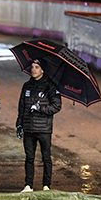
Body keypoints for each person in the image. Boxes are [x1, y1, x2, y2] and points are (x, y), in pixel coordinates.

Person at [15, 59, 62, 192]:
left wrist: (40, 107)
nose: (33, 70)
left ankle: (46, 185)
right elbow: (22, 107)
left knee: (46, 157)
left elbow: (57, 106)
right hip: (28, 128)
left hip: (44, 129)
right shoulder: (26, 86)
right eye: (32, 67)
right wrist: (19, 124)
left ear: (42, 70)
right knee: (29, 157)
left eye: (36, 67)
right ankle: (28, 185)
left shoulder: (51, 87)